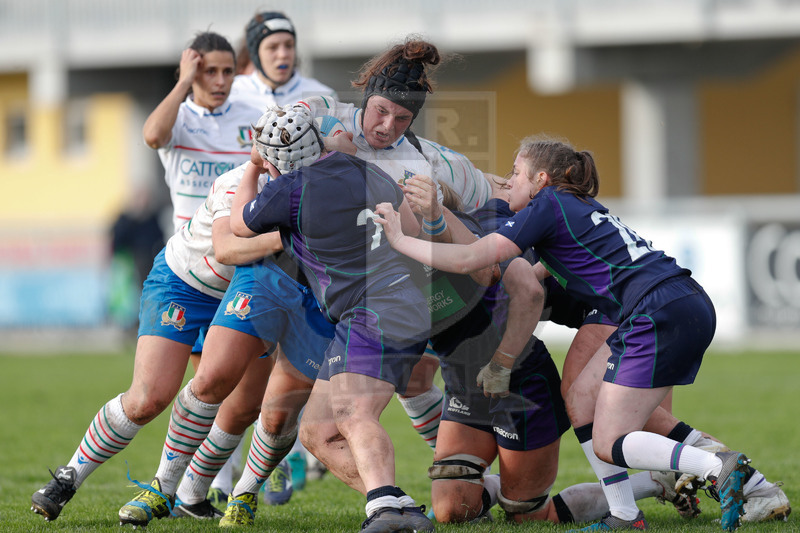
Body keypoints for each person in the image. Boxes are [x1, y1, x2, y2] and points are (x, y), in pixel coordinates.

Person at [376, 135, 761, 532]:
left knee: (614, 438)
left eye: (516, 173)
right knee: (582, 402)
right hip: (663, 303)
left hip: (649, 310)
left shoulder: (543, 207)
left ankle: (719, 469)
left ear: (540, 179)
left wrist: (404, 239)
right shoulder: (560, 207)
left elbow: (483, 263)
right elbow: (536, 265)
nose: (509, 181)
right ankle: (627, 515)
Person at [228, 103, 495, 532]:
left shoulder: (288, 188)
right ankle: (399, 506)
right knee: (316, 429)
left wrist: (253, 169)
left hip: (374, 309)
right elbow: (407, 233)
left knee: (353, 414)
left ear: (275, 159)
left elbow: (239, 226)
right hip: (393, 306)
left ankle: (384, 511)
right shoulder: (369, 172)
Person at [29, 136, 280, 525]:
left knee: (243, 406)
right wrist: (287, 236)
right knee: (148, 398)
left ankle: (191, 496)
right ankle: (69, 477)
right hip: (184, 284)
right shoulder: (237, 183)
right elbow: (228, 249)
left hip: (249, 292)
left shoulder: (309, 190)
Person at [115, 106, 336, 528]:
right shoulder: (246, 181)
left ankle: (244, 493)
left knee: (275, 412)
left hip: (317, 298)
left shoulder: (339, 173)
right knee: (212, 379)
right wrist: (278, 223)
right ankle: (163, 487)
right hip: (260, 282)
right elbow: (230, 246)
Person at [298, 36, 499, 454]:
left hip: (392, 298)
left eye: (403, 118)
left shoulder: (429, 162)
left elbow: (493, 195)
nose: (387, 126)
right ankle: (235, 488)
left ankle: (452, 467)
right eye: (381, 111)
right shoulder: (328, 115)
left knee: (399, 388)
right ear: (365, 99)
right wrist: (335, 137)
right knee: (283, 398)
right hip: (317, 289)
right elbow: (293, 115)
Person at [142, 31, 263, 234]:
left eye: (227, 72)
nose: (220, 81)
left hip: (240, 238)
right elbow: (153, 137)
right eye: (210, 71)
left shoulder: (253, 117)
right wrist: (183, 82)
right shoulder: (177, 117)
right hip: (189, 244)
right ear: (194, 73)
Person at [231, 11, 337, 109]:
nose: (283, 54)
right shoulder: (232, 93)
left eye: (289, 45)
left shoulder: (323, 96)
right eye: (272, 47)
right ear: (255, 54)